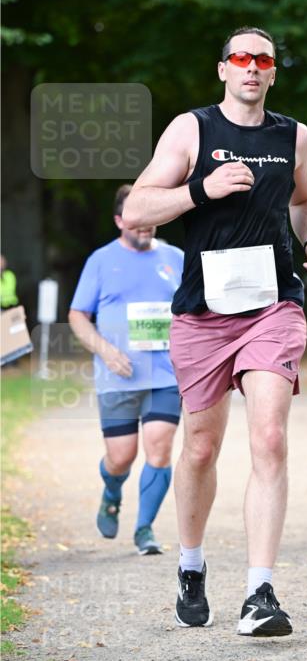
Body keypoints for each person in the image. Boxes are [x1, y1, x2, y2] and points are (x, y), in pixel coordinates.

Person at [123, 26, 307, 637]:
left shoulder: (294, 135)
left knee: (268, 438)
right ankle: (191, 565)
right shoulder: (193, 130)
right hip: (202, 314)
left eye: (262, 59)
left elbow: (304, 199)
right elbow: (136, 208)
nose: (252, 67)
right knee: (202, 448)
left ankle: (260, 592)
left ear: (272, 72)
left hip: (273, 307)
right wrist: (199, 189)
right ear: (223, 69)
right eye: (241, 57)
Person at [68, 185, 184, 555]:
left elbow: (195, 313)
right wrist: (107, 351)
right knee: (121, 457)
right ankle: (112, 490)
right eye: (137, 220)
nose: (145, 225)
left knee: (160, 450)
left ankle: (144, 529)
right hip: (117, 374)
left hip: (166, 373)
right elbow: (77, 316)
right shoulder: (101, 261)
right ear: (120, 220)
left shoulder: (177, 258)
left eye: (151, 217)